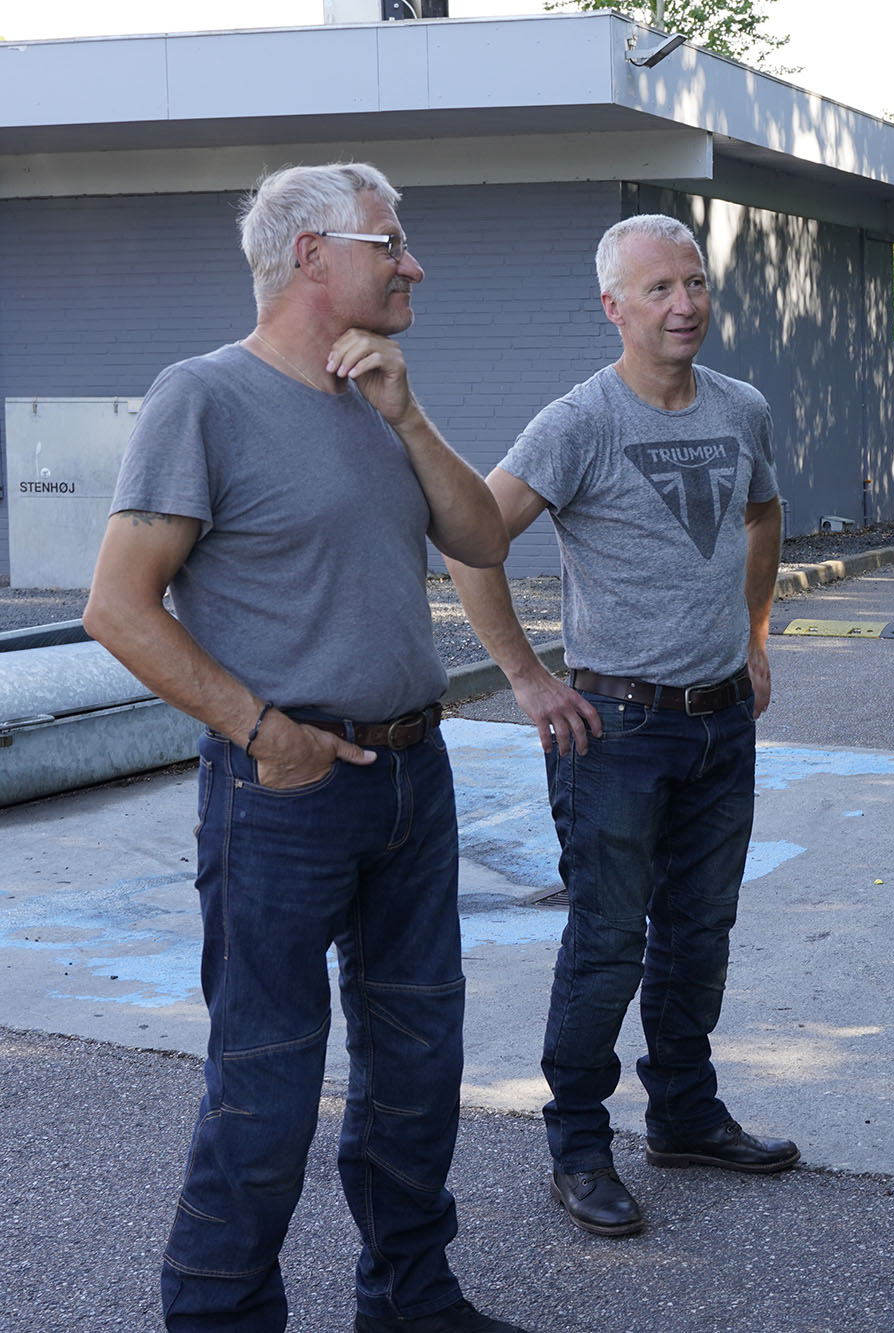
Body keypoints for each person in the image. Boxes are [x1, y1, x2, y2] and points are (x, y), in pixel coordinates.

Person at [82, 164, 524, 1332]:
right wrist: (262, 733)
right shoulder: (203, 397)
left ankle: (411, 1299)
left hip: (414, 776)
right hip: (282, 793)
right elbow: (117, 606)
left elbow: (483, 537)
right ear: (312, 255)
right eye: (391, 243)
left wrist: (407, 415)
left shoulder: (379, 398)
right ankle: (219, 1314)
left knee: (420, 1066)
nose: (414, 263)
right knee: (269, 1080)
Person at [444, 214, 792, 1241]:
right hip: (618, 732)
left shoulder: (740, 407)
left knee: (700, 935)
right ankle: (578, 1145)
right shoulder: (577, 422)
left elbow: (763, 514)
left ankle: (684, 1115)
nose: (684, 305)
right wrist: (526, 677)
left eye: (694, 283)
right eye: (658, 289)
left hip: (722, 722)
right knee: (606, 943)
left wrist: (755, 635)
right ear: (613, 307)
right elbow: (470, 541)